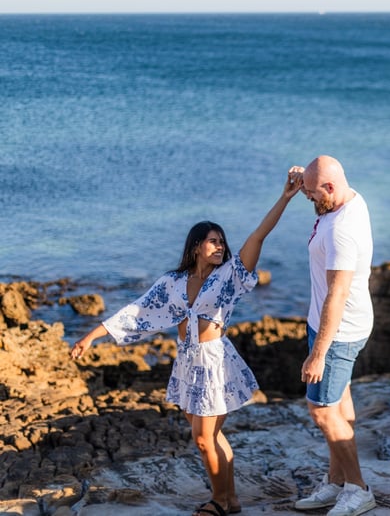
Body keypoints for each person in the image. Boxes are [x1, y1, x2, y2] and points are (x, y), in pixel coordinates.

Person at [70, 172, 303, 516]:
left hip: (215, 362)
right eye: (213, 241)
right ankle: (232, 499)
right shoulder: (173, 283)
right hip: (187, 363)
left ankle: (219, 501)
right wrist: (92, 335)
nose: (220, 246)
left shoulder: (230, 277)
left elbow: (258, 235)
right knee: (212, 436)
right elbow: (137, 311)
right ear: (196, 246)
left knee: (203, 438)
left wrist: (285, 198)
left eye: (222, 241)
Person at [291, 155, 376, 516]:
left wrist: (318, 354)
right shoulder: (349, 197)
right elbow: (323, 186)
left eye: (312, 194)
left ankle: (358, 489)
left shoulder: (342, 230)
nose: (309, 199)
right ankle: (337, 480)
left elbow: (337, 294)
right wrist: (304, 183)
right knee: (339, 402)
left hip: (338, 331)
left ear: (329, 188)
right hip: (331, 325)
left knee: (322, 410)